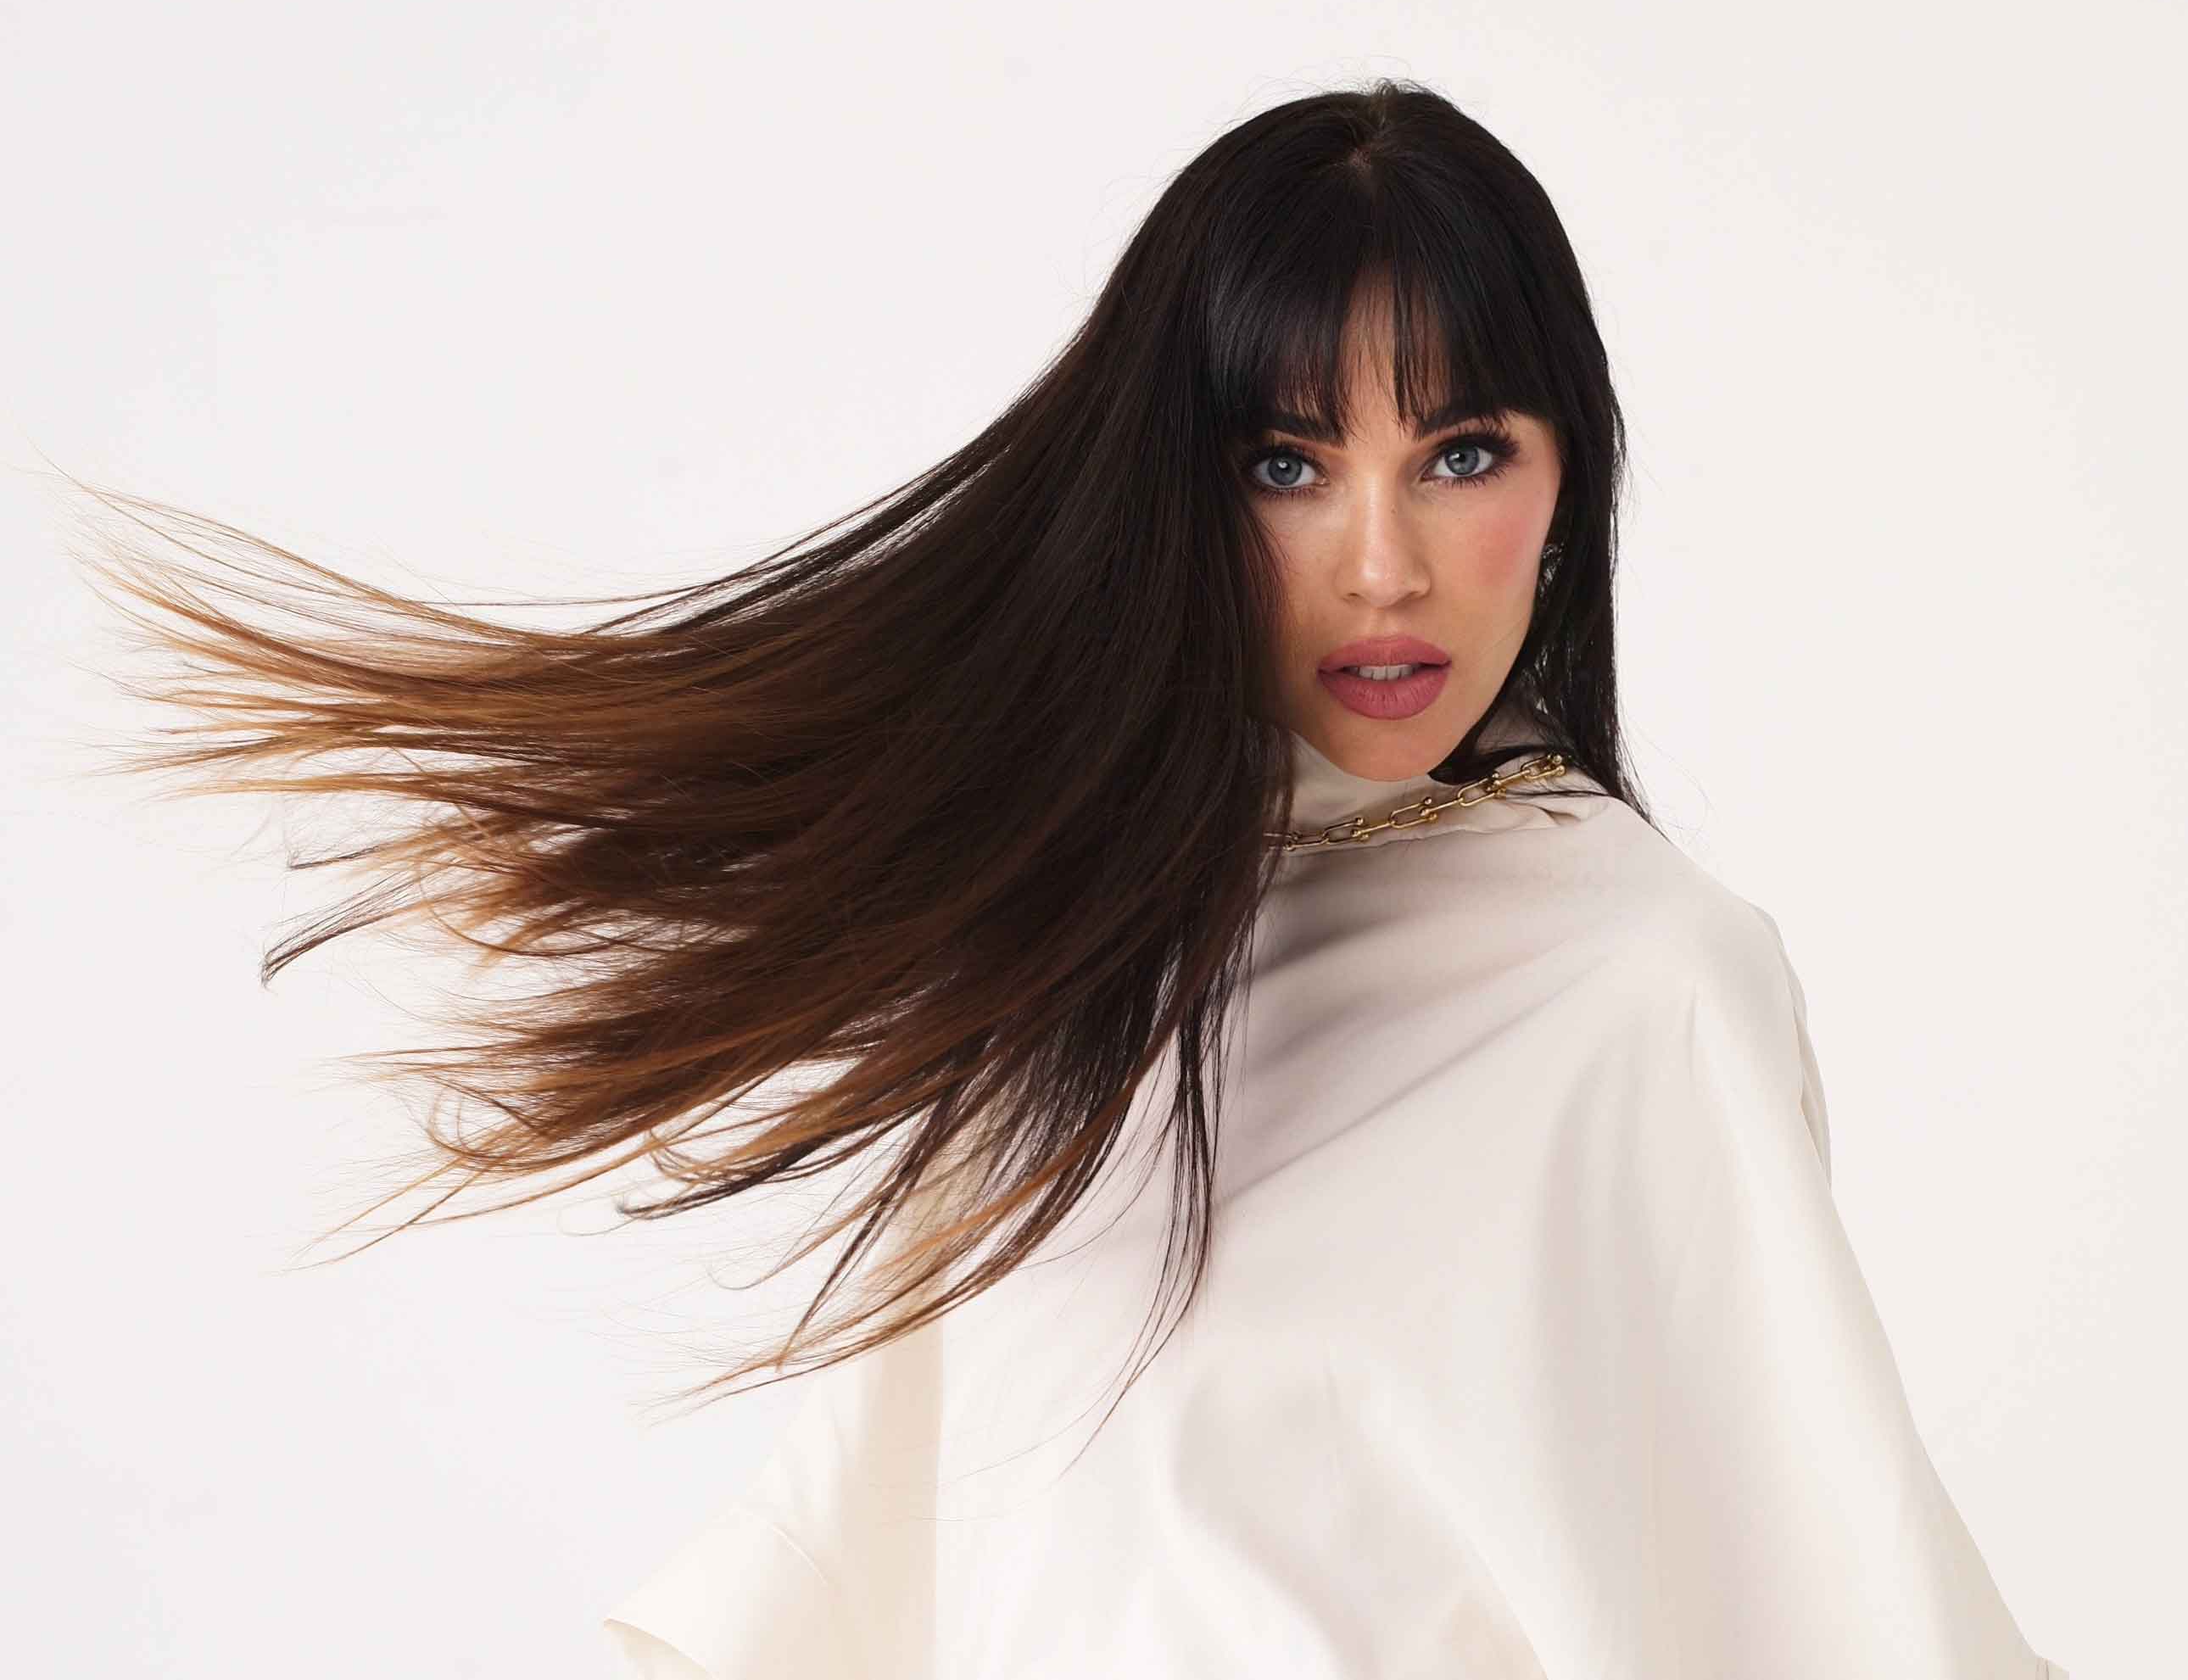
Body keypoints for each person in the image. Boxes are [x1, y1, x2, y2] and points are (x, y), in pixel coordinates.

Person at [58, 81, 2069, 1677]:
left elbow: (1815, 1596)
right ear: (1168, 490)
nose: (1383, 562)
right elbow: (912, 1575)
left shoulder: (1650, 986)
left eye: (1464, 452)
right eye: (1285, 463)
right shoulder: (1085, 957)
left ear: (1570, 479)